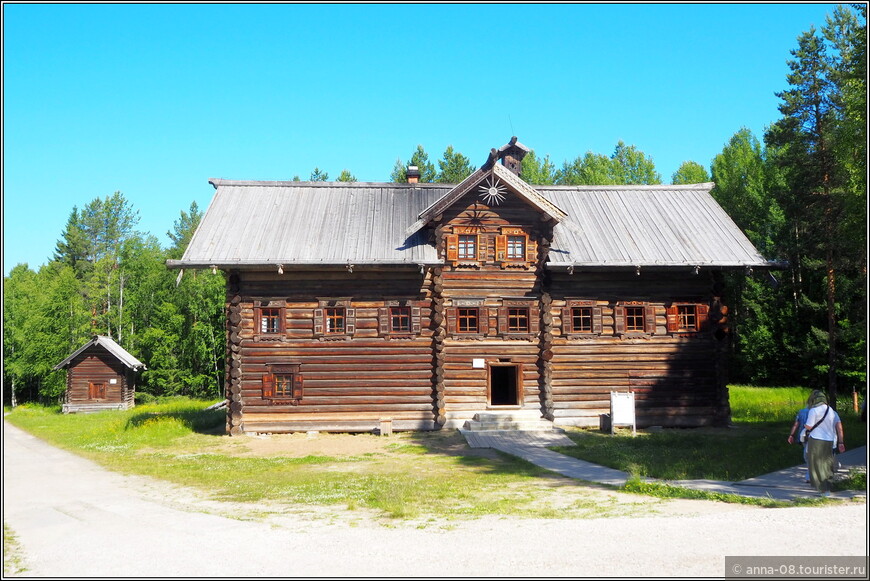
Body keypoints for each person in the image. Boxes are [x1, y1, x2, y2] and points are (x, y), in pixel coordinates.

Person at [804, 390, 846, 496]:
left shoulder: (813, 411)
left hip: (816, 440)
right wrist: (841, 442)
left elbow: (809, 426)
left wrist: (804, 427)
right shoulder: (831, 410)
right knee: (827, 464)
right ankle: (828, 488)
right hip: (830, 440)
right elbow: (839, 427)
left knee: (816, 465)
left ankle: (822, 489)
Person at [787, 403, 810, 482]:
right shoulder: (817, 412)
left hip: (803, 436)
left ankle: (809, 475)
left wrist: (791, 435)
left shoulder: (801, 412)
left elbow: (796, 424)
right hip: (815, 436)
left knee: (807, 454)